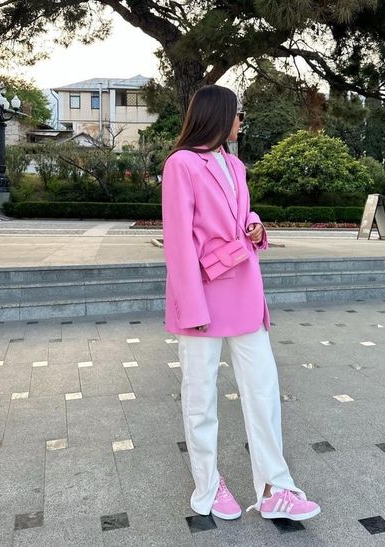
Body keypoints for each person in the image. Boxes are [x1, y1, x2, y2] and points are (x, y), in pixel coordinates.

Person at [161, 85, 320, 522]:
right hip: (203, 297)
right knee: (200, 396)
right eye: (236, 114)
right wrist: (190, 309)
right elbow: (178, 242)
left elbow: (241, 213)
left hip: (244, 291)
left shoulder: (235, 164)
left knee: (264, 390)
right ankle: (208, 487)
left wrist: (254, 226)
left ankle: (275, 488)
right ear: (217, 116)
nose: (240, 121)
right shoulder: (181, 164)